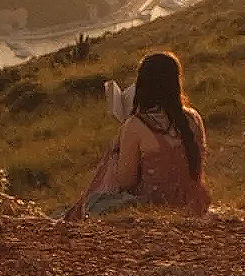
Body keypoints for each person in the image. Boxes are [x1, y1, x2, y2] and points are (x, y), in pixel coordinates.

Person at [71, 49, 210, 218]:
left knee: (94, 203)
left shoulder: (136, 125)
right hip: (192, 204)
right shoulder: (193, 118)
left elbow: (126, 181)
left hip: (153, 206)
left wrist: (117, 149)